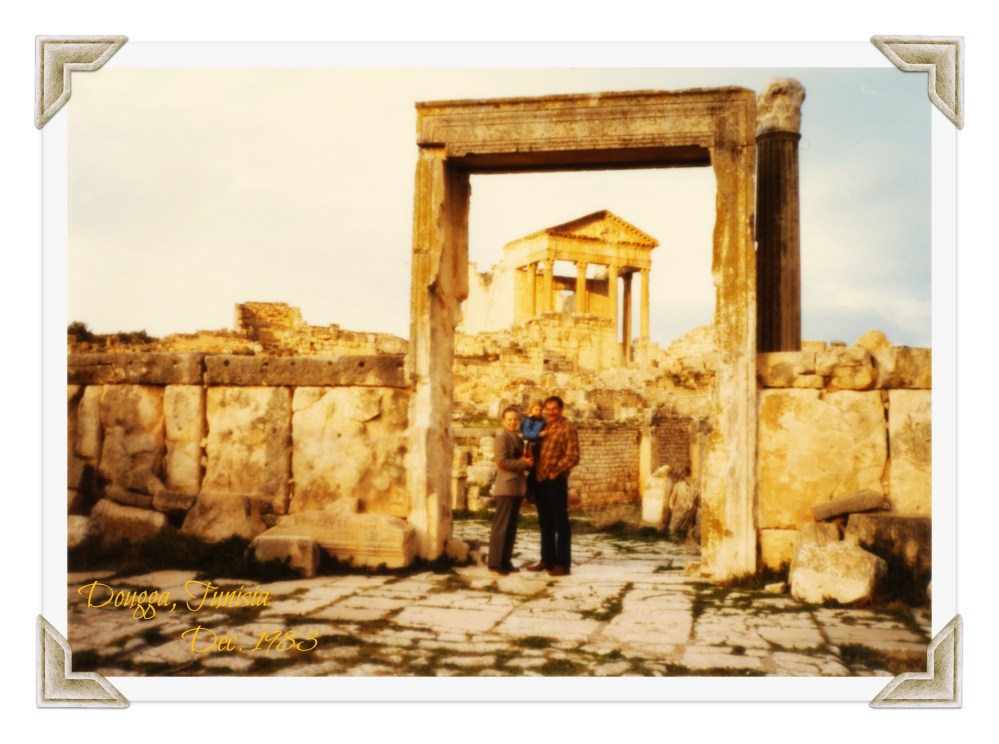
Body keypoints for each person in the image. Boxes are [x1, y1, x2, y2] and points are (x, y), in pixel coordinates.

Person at [526, 395, 580, 577]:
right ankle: (547, 560)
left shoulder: (568, 428)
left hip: (555, 480)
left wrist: (556, 471)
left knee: (560, 523)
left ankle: (563, 564)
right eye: (548, 409)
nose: (551, 412)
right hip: (540, 480)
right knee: (545, 523)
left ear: (561, 409)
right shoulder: (543, 426)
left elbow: (573, 456)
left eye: (554, 408)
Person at [488, 406, 534, 575]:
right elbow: (503, 462)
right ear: (503, 420)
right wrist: (525, 464)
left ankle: (505, 561)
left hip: (516, 487)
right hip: (506, 486)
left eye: (515, 419)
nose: (513, 422)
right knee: (502, 526)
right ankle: (495, 563)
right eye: (509, 419)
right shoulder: (502, 437)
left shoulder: (517, 438)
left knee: (511, 527)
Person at [519, 400, 546, 504]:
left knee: (539, 470)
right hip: (532, 447)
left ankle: (535, 492)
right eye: (535, 409)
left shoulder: (543, 420)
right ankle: (528, 491)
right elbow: (526, 434)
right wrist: (539, 434)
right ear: (531, 410)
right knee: (533, 469)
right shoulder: (528, 420)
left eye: (540, 410)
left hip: (541, 447)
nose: (538, 412)